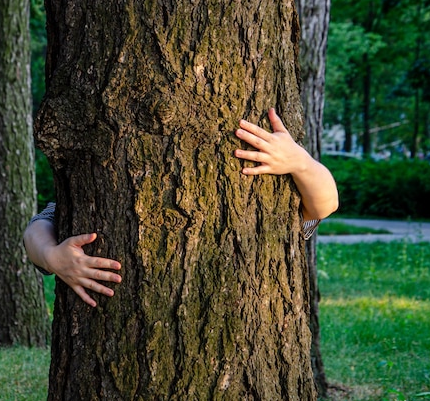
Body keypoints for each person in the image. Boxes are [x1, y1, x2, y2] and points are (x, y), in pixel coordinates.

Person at [23, 108, 338, 306]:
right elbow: (39, 226)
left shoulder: (274, 187)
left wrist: (301, 163)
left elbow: (324, 205)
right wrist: (52, 256)